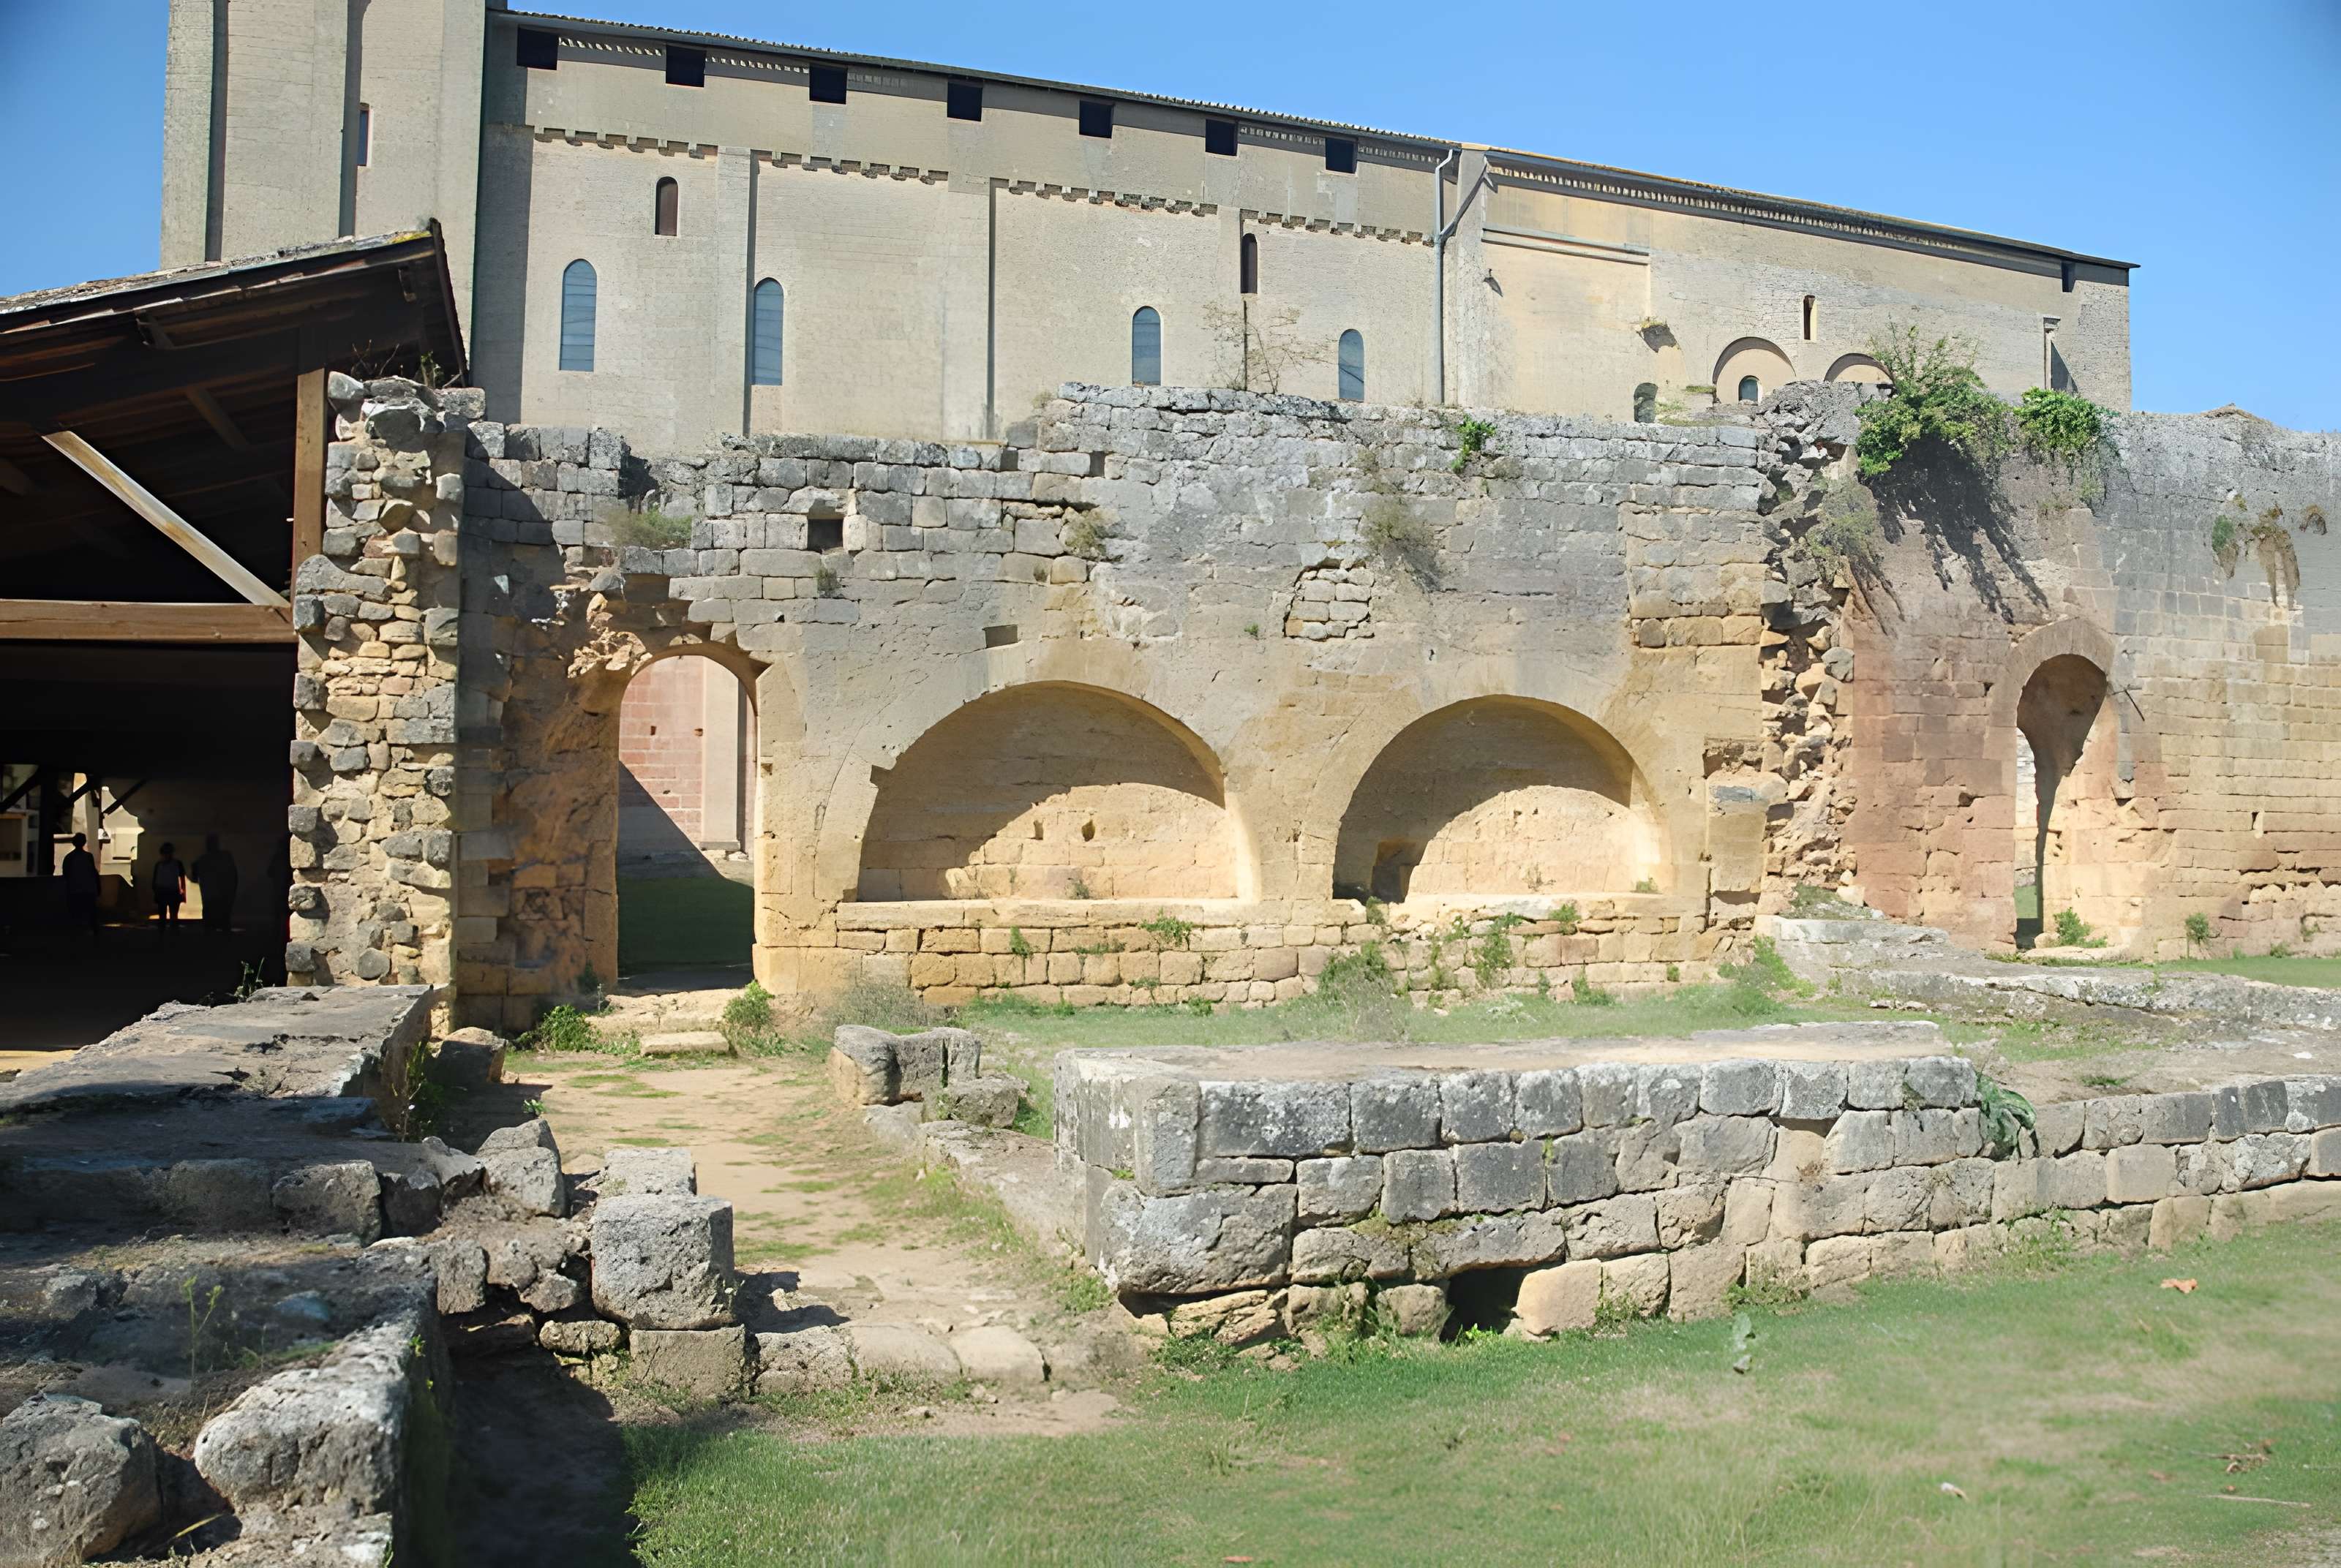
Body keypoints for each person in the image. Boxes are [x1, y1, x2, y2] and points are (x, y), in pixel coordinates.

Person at [193, 832, 239, 933]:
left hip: (210, 895)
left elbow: (194, 878)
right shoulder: (226, 857)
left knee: (210, 925)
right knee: (224, 923)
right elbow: (234, 875)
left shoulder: (202, 860)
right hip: (223, 895)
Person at [61, 832, 99, 938]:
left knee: (76, 913)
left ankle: (76, 934)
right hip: (88, 890)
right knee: (90, 913)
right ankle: (93, 933)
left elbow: (66, 874)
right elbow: (94, 873)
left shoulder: (69, 857)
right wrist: (98, 887)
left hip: (75, 890)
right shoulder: (88, 857)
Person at [151, 842, 187, 929]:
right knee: (172, 916)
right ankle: (172, 934)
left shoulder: (159, 865)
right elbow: (182, 878)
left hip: (165, 891)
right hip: (171, 891)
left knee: (164, 916)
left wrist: (156, 891)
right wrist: (183, 892)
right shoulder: (177, 863)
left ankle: (163, 935)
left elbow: (155, 880)